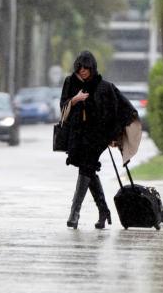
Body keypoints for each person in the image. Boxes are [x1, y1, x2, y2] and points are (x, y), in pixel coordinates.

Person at [59, 51, 139, 229]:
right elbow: (62, 105)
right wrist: (74, 100)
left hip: (97, 137)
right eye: (80, 68)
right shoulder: (70, 82)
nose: (82, 71)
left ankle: (74, 213)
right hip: (78, 135)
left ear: (92, 68)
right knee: (88, 169)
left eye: (86, 68)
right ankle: (103, 211)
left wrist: (114, 135)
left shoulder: (104, 87)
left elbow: (118, 111)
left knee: (86, 166)